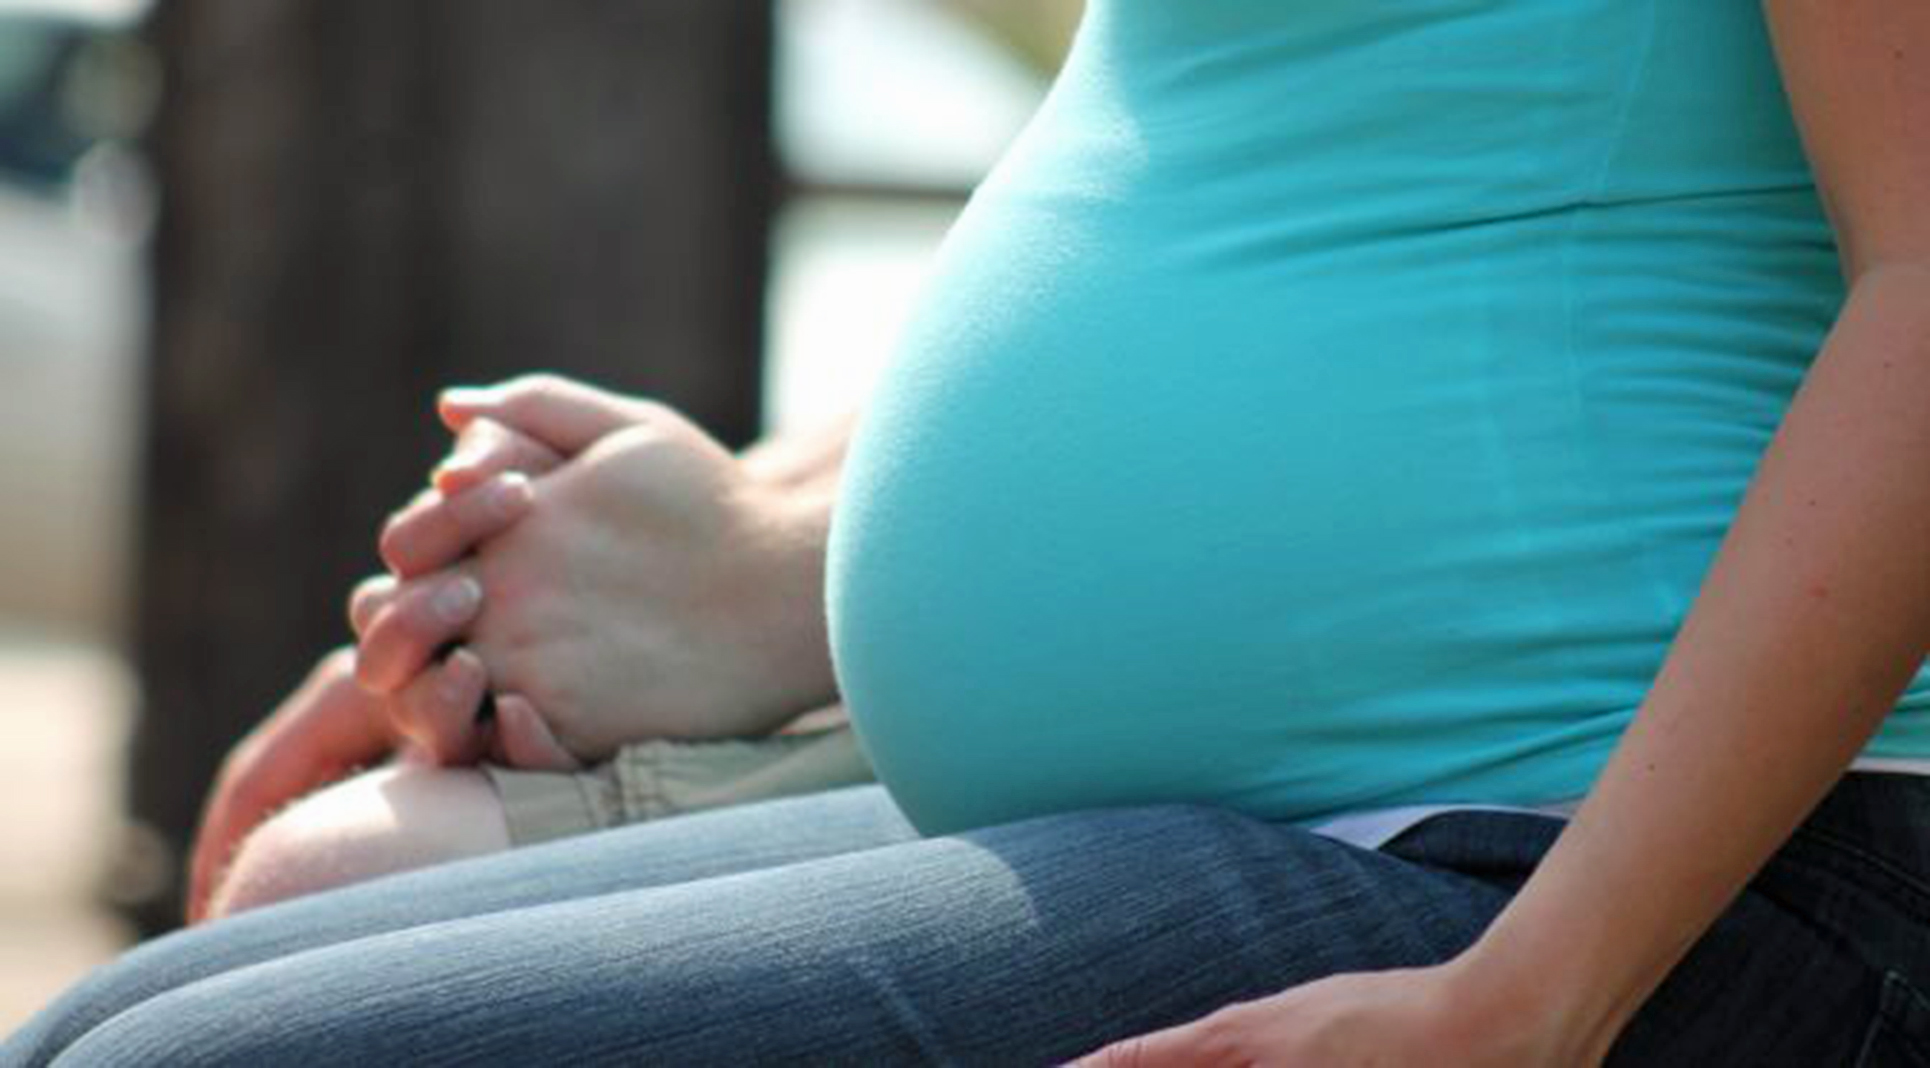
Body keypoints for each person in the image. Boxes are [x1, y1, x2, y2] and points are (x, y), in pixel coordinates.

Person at [7, 0, 1930, 1063]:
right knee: (135, 1016)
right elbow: (1286, 183)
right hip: (1330, 811)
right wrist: (781, 534)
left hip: (1605, 868)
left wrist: (1540, 999)